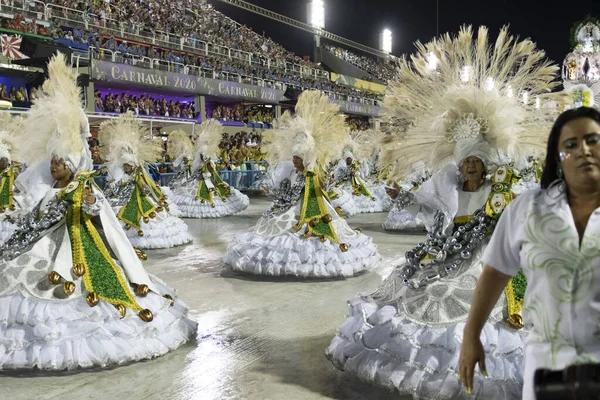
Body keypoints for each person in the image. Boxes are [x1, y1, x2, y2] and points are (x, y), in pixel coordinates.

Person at [325, 25, 558, 399]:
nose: (469, 169)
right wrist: (402, 193)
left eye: (475, 165)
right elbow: (424, 201)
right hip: (446, 253)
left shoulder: (498, 193)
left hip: (481, 259)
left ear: (484, 167)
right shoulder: (446, 189)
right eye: (465, 163)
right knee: (419, 287)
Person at [0, 53, 196, 371]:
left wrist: (80, 202)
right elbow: (35, 222)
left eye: (60, 164)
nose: (54, 167)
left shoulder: (83, 189)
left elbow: (103, 219)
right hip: (46, 251)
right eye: (53, 163)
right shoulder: (51, 189)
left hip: (82, 249)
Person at [459, 106, 600, 400]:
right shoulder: (527, 209)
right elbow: (495, 272)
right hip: (548, 364)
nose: (583, 150)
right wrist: (471, 336)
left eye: (593, 139)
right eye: (570, 144)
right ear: (557, 157)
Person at [223, 90, 381, 277]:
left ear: (304, 159)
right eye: (294, 158)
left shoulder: (312, 173)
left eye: (297, 158)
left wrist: (326, 184)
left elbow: (321, 190)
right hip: (291, 209)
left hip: (307, 211)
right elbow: (285, 193)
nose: (294, 161)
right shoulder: (291, 172)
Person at [99, 112, 193, 249]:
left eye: (129, 166)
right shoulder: (118, 169)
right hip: (123, 198)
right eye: (126, 165)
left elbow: (144, 184)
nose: (127, 167)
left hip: (137, 199)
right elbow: (114, 186)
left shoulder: (136, 172)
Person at [167, 120, 249, 218]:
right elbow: (195, 167)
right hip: (200, 179)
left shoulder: (203, 155)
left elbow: (197, 167)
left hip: (203, 179)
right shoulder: (202, 155)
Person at [0, 113, 23, 244]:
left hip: (8, 220)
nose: (4, 166)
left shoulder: (12, 174)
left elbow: (19, 193)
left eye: (6, 163)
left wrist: (14, 208)